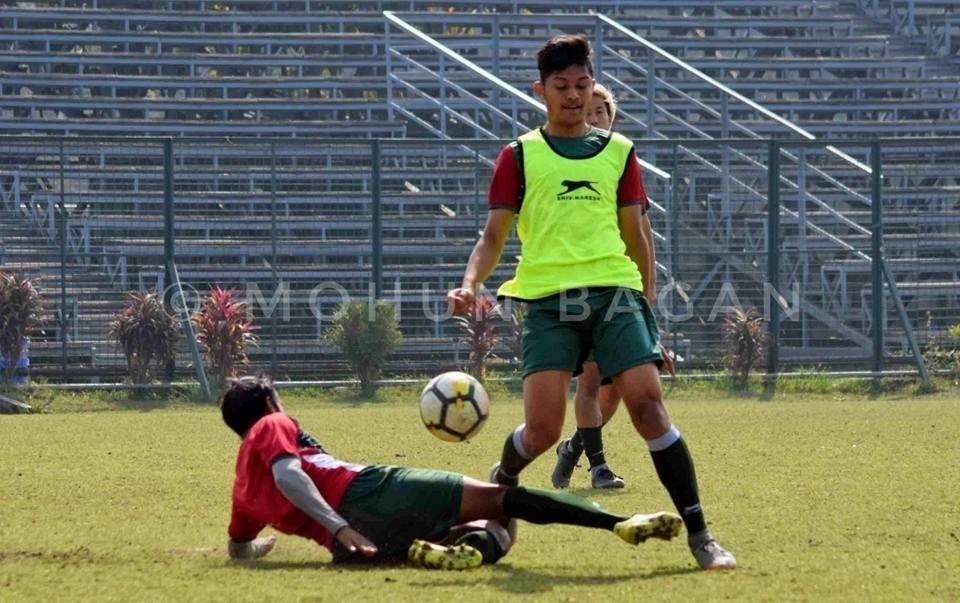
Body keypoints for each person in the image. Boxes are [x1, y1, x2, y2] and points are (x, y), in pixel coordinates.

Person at [446, 34, 736, 570]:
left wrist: (647, 309)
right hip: (547, 302)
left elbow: (637, 237)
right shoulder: (518, 156)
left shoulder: (620, 152)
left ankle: (701, 534)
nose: (574, 96)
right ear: (541, 90)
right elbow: (492, 236)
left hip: (615, 295)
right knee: (542, 432)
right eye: (562, 87)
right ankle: (503, 479)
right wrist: (471, 282)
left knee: (648, 408)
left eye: (582, 85)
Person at [221, 374, 683, 570]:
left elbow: (238, 548)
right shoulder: (272, 424)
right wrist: (338, 525)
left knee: (492, 532)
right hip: (369, 492)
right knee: (500, 499)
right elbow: (289, 476)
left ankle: (470, 551)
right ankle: (617, 523)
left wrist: (263, 545)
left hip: (360, 549)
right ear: (266, 405)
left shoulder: (243, 491)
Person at [551, 83, 675, 491]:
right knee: (589, 383)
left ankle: (573, 448)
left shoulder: (620, 166)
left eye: (604, 112)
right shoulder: (564, 168)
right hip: (582, 290)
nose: (598, 117)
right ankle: (599, 466)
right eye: (593, 110)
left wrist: (647, 291)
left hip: (622, 292)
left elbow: (644, 233)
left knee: (616, 393)